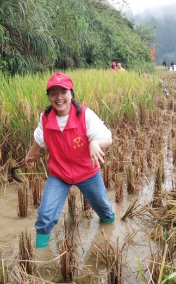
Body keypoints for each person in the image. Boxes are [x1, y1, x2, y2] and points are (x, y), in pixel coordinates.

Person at [25, 72, 115, 249]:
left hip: (87, 173)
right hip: (59, 174)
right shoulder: (45, 117)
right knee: (45, 216)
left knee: (104, 209)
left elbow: (107, 137)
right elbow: (39, 139)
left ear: (71, 93)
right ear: (49, 97)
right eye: (53, 93)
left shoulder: (85, 115)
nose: (59, 98)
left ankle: (109, 237)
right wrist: (29, 155)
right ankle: (40, 256)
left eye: (63, 92)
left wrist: (95, 142)